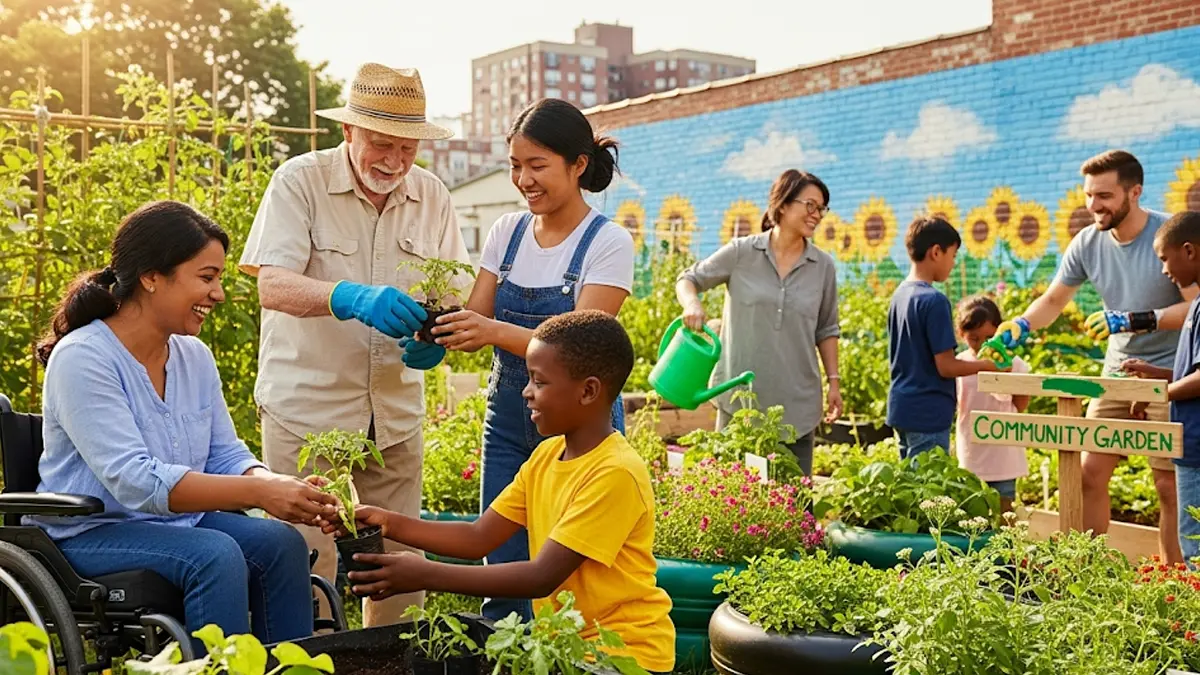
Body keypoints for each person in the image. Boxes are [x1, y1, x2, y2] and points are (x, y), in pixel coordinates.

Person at [29, 201, 338, 649]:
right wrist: (258, 493)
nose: (220, 294)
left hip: (175, 523)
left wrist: (273, 482)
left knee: (281, 543)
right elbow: (136, 482)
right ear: (152, 276)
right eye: (207, 277)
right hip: (92, 533)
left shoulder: (193, 356)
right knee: (214, 556)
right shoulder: (84, 357)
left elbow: (225, 453)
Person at [238, 63, 472, 626]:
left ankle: (392, 661)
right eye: (380, 143)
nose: (394, 160)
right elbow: (271, 283)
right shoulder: (299, 181)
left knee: (396, 570)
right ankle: (307, 663)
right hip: (308, 414)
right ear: (348, 133)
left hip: (393, 416)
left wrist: (436, 339)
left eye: (406, 147)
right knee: (303, 567)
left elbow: (453, 291)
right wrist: (348, 297)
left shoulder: (433, 196)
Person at [319, 311, 675, 673]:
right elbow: (478, 537)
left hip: (625, 657)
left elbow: (541, 576)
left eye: (539, 381)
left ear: (588, 391)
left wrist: (425, 573)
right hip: (565, 648)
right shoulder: (548, 455)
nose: (526, 392)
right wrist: (386, 522)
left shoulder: (614, 472)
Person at [427, 98, 635, 621]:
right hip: (508, 414)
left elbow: (583, 342)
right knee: (503, 570)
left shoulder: (607, 242)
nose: (523, 179)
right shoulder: (507, 233)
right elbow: (475, 318)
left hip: (578, 424)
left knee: (570, 576)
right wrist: (433, 327)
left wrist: (493, 329)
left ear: (578, 164)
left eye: (537, 165)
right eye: (516, 165)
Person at [997, 150, 1196, 564]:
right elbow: (1054, 299)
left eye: (1104, 195)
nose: (1094, 206)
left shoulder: (1167, 237)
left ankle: (1175, 579)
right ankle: (1085, 569)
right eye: (1089, 195)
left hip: (1168, 375)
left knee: (1167, 485)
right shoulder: (1087, 242)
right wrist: (1021, 325)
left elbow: (1195, 307)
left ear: (1134, 192)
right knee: (1090, 473)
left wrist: (1137, 320)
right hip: (1116, 373)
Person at [675, 169, 842, 475]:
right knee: (733, 500)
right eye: (810, 205)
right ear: (782, 204)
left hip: (797, 404)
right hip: (740, 400)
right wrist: (692, 303)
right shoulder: (742, 252)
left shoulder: (823, 267)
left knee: (794, 507)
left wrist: (834, 383)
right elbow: (689, 279)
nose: (817, 215)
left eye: (822, 208)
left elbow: (827, 328)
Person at [1121, 212, 1200, 561]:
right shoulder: (1195, 305)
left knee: (1194, 546)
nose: (1164, 270)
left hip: (1197, 449)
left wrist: (1158, 394)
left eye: (1165, 259)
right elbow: (1191, 372)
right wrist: (1155, 374)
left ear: (1189, 251)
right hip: (1190, 443)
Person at [888, 216, 1001, 459]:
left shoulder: (899, 295)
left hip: (902, 407)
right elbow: (946, 366)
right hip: (928, 413)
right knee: (929, 490)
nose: (953, 263)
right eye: (953, 255)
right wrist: (988, 366)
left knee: (907, 486)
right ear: (936, 252)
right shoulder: (934, 301)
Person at [954, 295, 1031, 512]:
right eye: (973, 338)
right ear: (961, 335)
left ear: (1000, 332)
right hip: (971, 455)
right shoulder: (960, 365)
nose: (980, 345)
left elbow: (1021, 404)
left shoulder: (1014, 364)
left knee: (1005, 516)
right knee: (971, 516)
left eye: (988, 337)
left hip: (1004, 456)